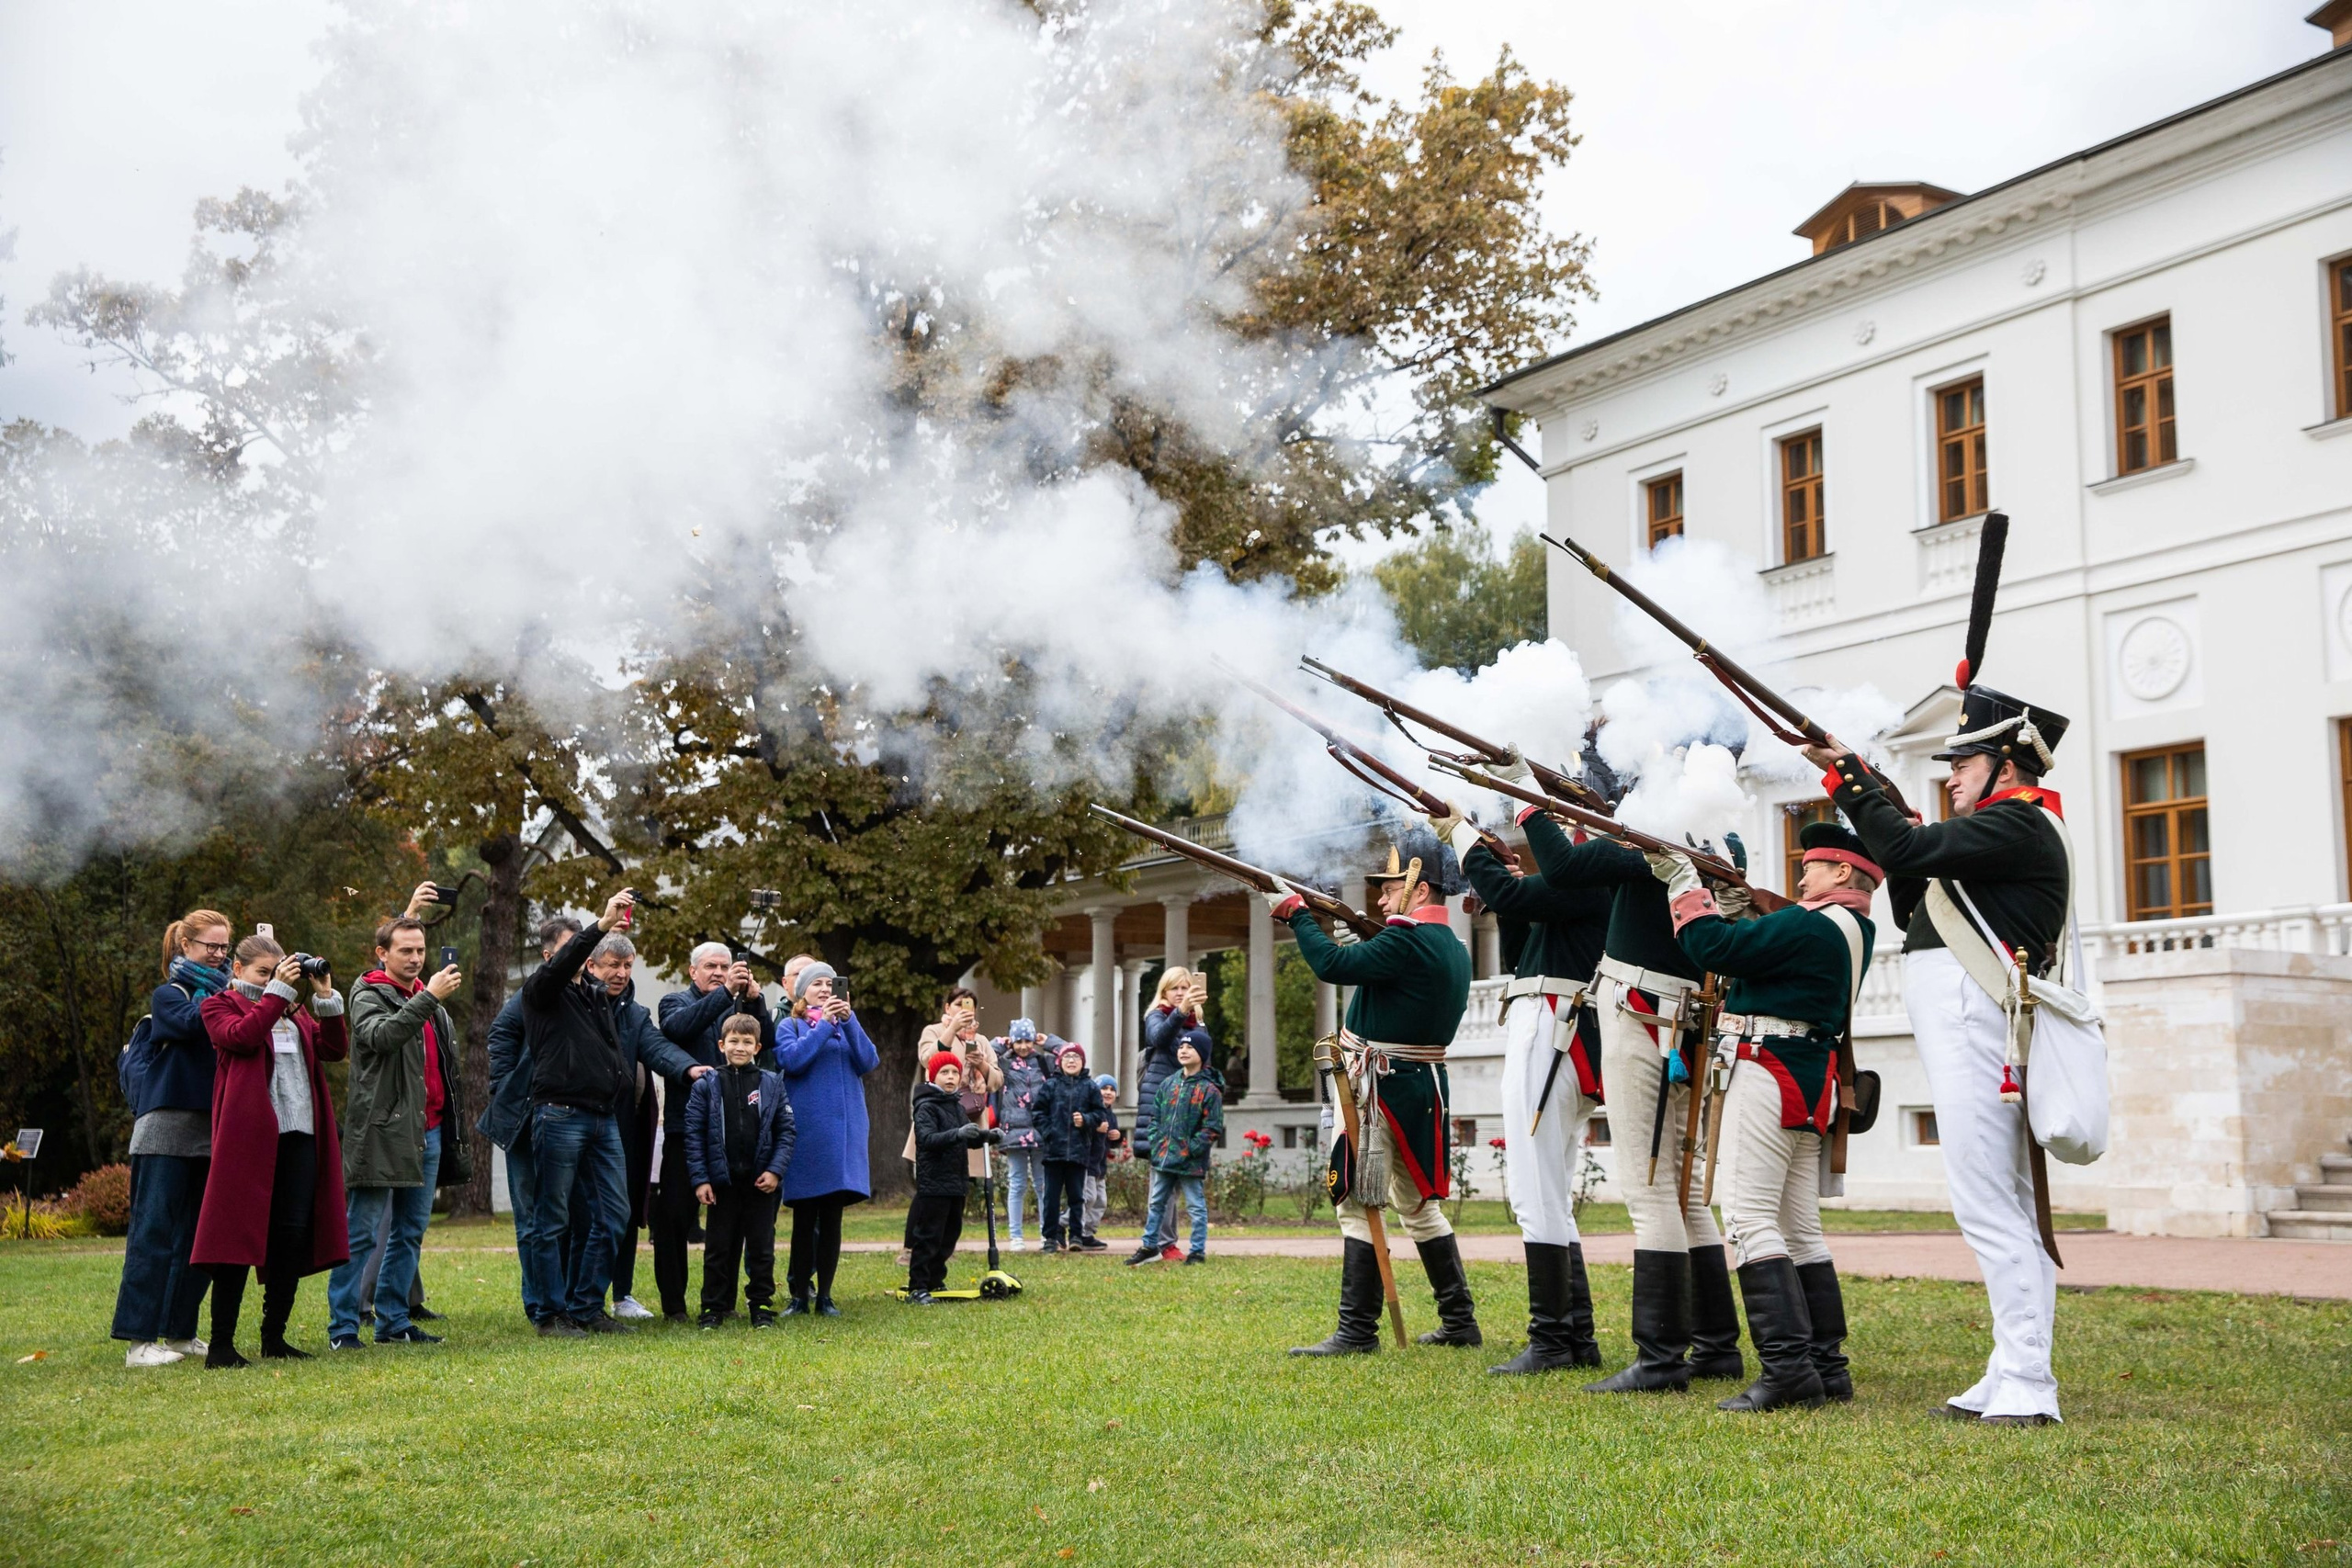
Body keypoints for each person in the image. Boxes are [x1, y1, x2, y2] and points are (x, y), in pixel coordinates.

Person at [1805, 685, 2075, 1426]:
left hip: (1976, 1031)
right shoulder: (2000, 832)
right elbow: (1913, 894)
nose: (1954, 775)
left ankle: (2028, 1377)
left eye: (1967, 761)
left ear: (2008, 766)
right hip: (1967, 1029)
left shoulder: (2018, 823)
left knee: (1990, 1206)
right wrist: (1879, 799)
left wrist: (1849, 778)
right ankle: (2012, 1364)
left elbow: (1902, 851)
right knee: (2003, 1207)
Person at [1510, 789, 1747, 1393]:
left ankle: (1662, 1358)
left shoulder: (1660, 839)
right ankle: (1717, 1346)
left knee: (1650, 1194)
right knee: (1686, 1194)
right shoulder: (1721, 842)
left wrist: (1525, 804)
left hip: (1643, 1013)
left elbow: (1562, 869)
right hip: (1679, 1017)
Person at [1645, 820, 1880, 1412]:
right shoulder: (1853, 927)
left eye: (1814, 865)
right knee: (1798, 1227)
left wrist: (1682, 885)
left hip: (1768, 1065)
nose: (1803, 873)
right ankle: (1825, 1367)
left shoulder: (1810, 922)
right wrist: (1732, 903)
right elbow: (1766, 957)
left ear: (1843, 872)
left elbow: (1714, 950)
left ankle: (1788, 1369)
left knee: (1748, 1218)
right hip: (1806, 1073)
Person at [1277, 832, 1480, 1355]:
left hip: (1377, 1088)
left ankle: (1356, 1330)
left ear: (1418, 886)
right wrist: (1355, 936)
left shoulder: (1407, 940)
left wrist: (1297, 914)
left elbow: (1331, 968)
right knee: (1417, 1208)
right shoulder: (1447, 944)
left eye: (1390, 888)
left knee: (1355, 1202)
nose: (1383, 898)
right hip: (1414, 1088)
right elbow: (1377, 972)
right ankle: (1459, 1321)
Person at [1443, 787, 1612, 1375]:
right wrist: (1506, 887)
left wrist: (1462, 837)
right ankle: (1576, 1338)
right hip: (1546, 1019)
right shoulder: (1587, 877)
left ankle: (1551, 1341)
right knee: (1546, 1192)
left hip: (1554, 1025)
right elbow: (1519, 946)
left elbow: (1516, 892)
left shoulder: (1595, 872)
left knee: (1533, 1191)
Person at [188, 933, 350, 1367]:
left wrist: (325, 996)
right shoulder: (219, 1006)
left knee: (290, 1238)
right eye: (263, 973)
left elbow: (335, 1049)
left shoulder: (292, 1014)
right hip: (249, 1140)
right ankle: (221, 1344)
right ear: (237, 971)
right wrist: (277, 991)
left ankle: (273, 1338)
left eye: (276, 973)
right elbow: (242, 1037)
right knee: (238, 1237)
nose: (270, 981)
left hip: (300, 1135)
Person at [326, 916, 469, 1349]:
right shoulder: (367, 992)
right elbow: (381, 1037)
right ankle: (343, 1329)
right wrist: (429, 999)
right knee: (363, 1232)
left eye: (420, 950)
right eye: (405, 950)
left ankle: (393, 1322)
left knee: (409, 1232)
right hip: (381, 1133)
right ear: (382, 954)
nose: (415, 958)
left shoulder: (429, 1000)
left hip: (428, 1131)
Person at [112, 908, 232, 1368]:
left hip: (206, 1132)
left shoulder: (225, 994)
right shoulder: (171, 993)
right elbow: (186, 1023)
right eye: (211, 947)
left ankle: (180, 1332)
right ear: (186, 946)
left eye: (224, 948)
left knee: (196, 1239)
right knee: (153, 1234)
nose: (219, 955)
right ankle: (139, 1341)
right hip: (163, 1130)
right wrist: (234, 997)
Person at [522, 888, 639, 1337]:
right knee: (551, 1220)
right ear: (554, 955)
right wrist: (601, 925)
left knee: (614, 1214)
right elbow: (564, 964)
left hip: (601, 1117)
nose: (584, 954)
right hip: (560, 1116)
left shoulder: (592, 995)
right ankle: (550, 1314)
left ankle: (586, 1307)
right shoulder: (540, 990)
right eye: (575, 947)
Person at [650, 942, 765, 1321]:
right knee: (674, 1218)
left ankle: (722, 1302)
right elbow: (680, 1028)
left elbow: (765, 1045)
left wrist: (753, 1001)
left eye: (726, 966)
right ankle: (674, 1306)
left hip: (734, 1134)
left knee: (729, 1220)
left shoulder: (736, 1004)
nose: (719, 972)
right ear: (692, 971)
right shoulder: (674, 1002)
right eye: (711, 966)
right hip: (687, 1129)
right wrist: (726, 994)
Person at [589, 933, 701, 1321]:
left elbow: (657, 1049)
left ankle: (620, 1295)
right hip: (575, 1122)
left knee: (625, 1209)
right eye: (611, 965)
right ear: (591, 966)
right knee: (582, 1213)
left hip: (623, 1125)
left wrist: (689, 1068)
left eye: (626, 966)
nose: (619, 974)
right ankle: (573, 1299)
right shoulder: (572, 1005)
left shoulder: (635, 1015)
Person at [480, 917, 577, 1328]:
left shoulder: (584, 992)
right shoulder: (532, 992)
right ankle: (539, 1305)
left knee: (563, 1216)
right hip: (526, 1118)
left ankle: (563, 1301)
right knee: (532, 1217)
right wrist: (507, 1086)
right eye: (571, 947)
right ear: (548, 954)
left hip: (569, 1119)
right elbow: (500, 1033)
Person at [775, 963, 879, 1315]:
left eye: (829, 983)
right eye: (816, 983)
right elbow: (793, 1060)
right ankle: (799, 1295)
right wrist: (823, 1027)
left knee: (832, 1217)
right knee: (805, 1216)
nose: (823, 989)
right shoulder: (791, 1025)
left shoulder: (846, 1025)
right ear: (801, 992)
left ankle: (826, 1296)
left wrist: (848, 1021)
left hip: (844, 1135)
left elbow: (868, 1060)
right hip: (807, 1133)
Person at [687, 1014, 797, 1328]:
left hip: (760, 1183)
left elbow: (786, 1131)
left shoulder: (772, 1084)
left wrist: (776, 1171)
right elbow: (694, 1136)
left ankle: (761, 1305)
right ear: (721, 1045)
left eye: (747, 1042)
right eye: (733, 1041)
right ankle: (712, 1307)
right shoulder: (706, 1085)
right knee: (718, 1248)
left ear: (758, 1047)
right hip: (722, 1184)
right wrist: (701, 1179)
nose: (740, 1047)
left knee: (762, 1248)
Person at [905, 1052, 998, 1303]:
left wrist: (985, 1137)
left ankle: (935, 1280)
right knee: (929, 1237)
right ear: (932, 1076)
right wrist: (958, 1133)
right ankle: (918, 1286)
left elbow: (965, 1139)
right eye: (944, 1072)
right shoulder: (926, 1107)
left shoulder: (957, 1105)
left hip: (956, 1182)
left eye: (955, 1072)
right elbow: (927, 1140)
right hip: (934, 1184)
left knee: (949, 1236)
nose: (950, 1077)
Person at [1135, 968, 1212, 1254]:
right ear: (1164, 992)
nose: (1180, 992)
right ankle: (1162, 1244)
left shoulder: (1198, 1023)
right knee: (1162, 1179)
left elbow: (1205, 1061)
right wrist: (1180, 1011)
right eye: (1174, 988)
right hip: (1163, 1106)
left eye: (1185, 987)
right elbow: (1159, 1038)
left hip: (1190, 1107)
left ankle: (1175, 1243)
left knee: (1183, 1178)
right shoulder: (1157, 1015)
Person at [1125, 1038, 1222, 1266]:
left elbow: (1212, 1128)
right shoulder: (1168, 1084)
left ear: (1203, 1053)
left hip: (1191, 1162)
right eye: (1181, 1047)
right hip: (1164, 1158)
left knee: (1196, 1207)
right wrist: (1158, 1146)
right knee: (1156, 1203)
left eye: (1190, 1047)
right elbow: (1155, 1119)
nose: (1184, 1050)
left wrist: (1189, 1150)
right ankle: (1150, 1246)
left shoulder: (1209, 1089)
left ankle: (1197, 1251)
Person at [1035, 1042, 1108, 1252]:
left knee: (1077, 1196)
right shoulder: (1051, 1085)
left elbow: (1100, 1115)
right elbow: (1038, 1113)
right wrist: (1049, 1132)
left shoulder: (1090, 1087)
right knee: (1051, 1197)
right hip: (1053, 1152)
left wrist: (1085, 1120)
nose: (1071, 1061)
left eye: (1076, 1057)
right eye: (1067, 1057)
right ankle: (1050, 1237)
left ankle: (1076, 1235)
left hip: (1079, 1152)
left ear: (1082, 1062)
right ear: (1060, 1062)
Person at [995, 1020, 1050, 1250]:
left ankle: (1046, 1233)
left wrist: (1048, 1042)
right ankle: (1015, 1236)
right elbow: (985, 1053)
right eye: (1019, 1041)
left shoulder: (1043, 1063)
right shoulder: (1005, 1064)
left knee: (1042, 1185)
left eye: (1028, 1040)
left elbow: (1068, 1051)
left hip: (1040, 1129)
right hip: (1014, 1131)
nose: (1024, 1046)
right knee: (1017, 1183)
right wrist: (1001, 1043)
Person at [1080, 1074, 1124, 1249]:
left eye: (1112, 1090)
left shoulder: (1111, 1115)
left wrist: (1116, 1137)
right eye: (1104, 1088)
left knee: (1101, 1202)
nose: (1108, 1092)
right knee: (1088, 1197)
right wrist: (1095, 1127)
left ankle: (1087, 1233)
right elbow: (1081, 1131)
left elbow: (1110, 1140)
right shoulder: (1092, 1111)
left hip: (1100, 1166)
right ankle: (1063, 1222)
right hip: (1087, 1163)